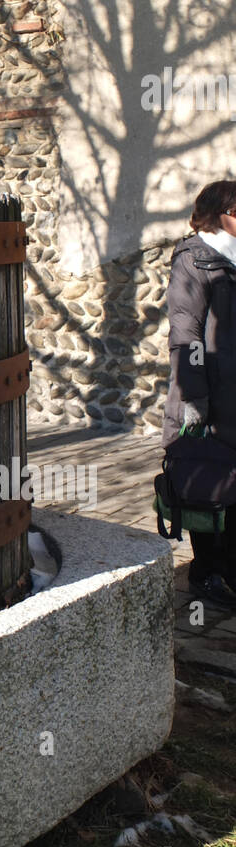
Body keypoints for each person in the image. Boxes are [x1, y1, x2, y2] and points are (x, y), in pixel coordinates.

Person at [164, 179, 236, 606]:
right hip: (209, 395)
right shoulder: (194, 259)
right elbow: (185, 334)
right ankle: (206, 573)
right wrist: (193, 397)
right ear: (216, 213)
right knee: (210, 484)